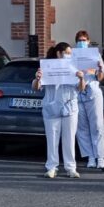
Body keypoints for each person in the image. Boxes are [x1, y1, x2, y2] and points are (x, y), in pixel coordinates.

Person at [33, 42, 80, 179]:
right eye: (67, 52)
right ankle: (52, 167)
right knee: (52, 139)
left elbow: (81, 88)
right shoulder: (47, 67)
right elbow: (36, 87)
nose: (69, 55)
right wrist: (38, 78)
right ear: (59, 53)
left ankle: (71, 168)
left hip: (69, 107)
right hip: (51, 108)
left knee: (69, 138)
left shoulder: (73, 67)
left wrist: (81, 78)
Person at [73, 30, 104, 171]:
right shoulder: (72, 56)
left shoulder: (95, 55)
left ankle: (100, 157)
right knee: (82, 127)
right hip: (78, 93)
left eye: (84, 40)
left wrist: (99, 69)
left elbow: (100, 77)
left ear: (88, 41)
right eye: (80, 40)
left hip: (93, 92)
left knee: (97, 126)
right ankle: (90, 157)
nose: (82, 42)